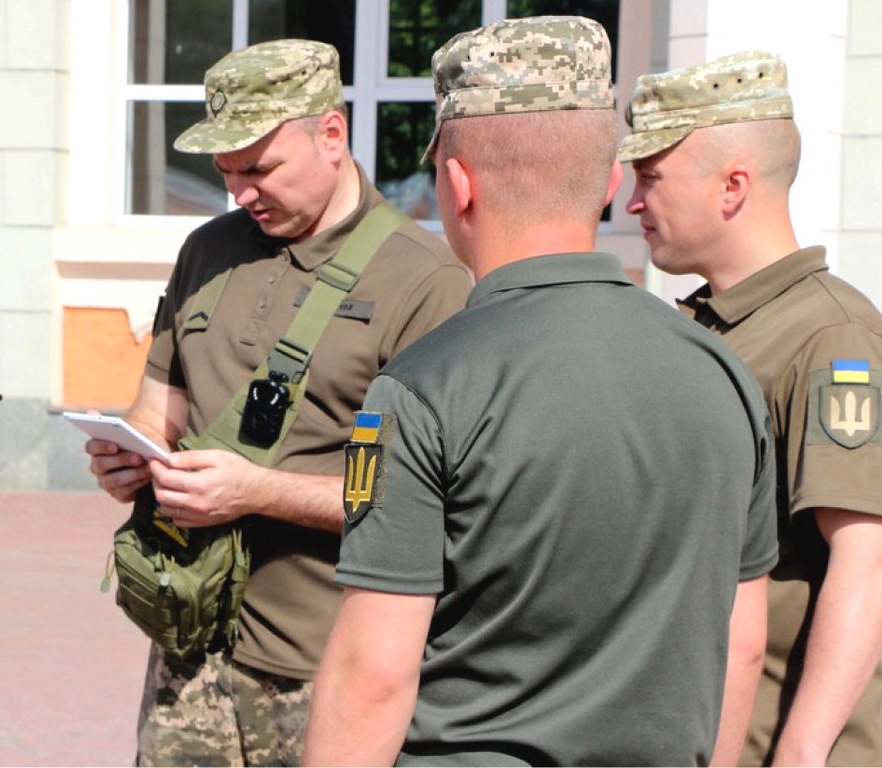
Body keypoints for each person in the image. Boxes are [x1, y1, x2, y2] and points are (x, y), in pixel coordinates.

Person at [304, 17, 779, 766]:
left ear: (458, 185)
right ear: (610, 181)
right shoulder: (723, 374)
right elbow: (741, 642)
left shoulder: (423, 388)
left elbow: (375, 672)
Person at [85, 39, 471, 766]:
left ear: (331, 135)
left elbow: (420, 498)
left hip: (327, 662)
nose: (240, 193)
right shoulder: (207, 249)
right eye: (225, 172)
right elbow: (158, 406)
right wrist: (128, 455)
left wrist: (257, 492)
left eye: (259, 168)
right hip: (191, 644)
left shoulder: (425, 282)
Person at [620, 51, 882, 766]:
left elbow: (868, 560)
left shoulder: (830, 337)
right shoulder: (705, 328)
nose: (633, 203)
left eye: (651, 178)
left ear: (733, 186)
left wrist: (800, 752)